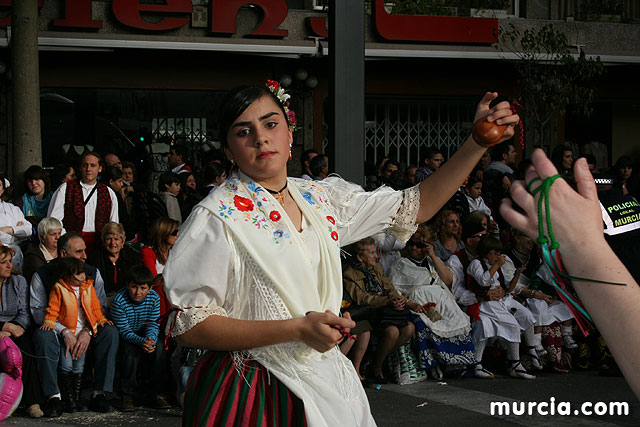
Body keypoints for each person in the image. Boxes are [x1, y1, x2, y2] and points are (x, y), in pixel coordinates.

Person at [163, 86, 519, 425]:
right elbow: (192, 327)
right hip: (253, 390)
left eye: (271, 124)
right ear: (228, 150)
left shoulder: (321, 199)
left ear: (290, 134)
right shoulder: (216, 217)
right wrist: (297, 329)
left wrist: (475, 144)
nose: (260, 138)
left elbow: (416, 206)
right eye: (243, 131)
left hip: (327, 377)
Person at [500, 150, 640, 397]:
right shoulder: (632, 201)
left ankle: (617, 361)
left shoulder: (600, 206)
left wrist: (582, 250)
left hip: (617, 267)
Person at [30, 232, 119, 417]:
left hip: (87, 325)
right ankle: (53, 396)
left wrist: (87, 330)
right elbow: (38, 312)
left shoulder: (92, 273)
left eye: (85, 251)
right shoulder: (43, 275)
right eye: (79, 252)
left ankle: (99, 393)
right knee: (42, 336)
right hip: (57, 326)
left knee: (109, 332)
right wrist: (64, 332)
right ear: (63, 254)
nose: (85, 256)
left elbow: (99, 307)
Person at [387, 225, 476, 380]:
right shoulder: (399, 265)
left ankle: (455, 364)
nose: (414, 248)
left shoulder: (433, 262)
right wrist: (410, 303)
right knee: (423, 324)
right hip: (418, 306)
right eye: (412, 244)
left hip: (442, 303)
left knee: (458, 318)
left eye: (420, 245)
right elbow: (394, 292)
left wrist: (433, 256)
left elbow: (448, 280)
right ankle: (433, 364)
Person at [343, 237, 418, 383]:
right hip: (370, 312)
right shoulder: (349, 273)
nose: (376, 256)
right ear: (360, 256)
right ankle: (377, 368)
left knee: (409, 328)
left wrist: (399, 300)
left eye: (375, 252)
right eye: (371, 253)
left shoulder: (376, 268)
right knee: (392, 332)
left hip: (386, 310)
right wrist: (386, 301)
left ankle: (375, 360)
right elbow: (362, 299)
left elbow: (388, 288)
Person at [41, 257, 110, 413]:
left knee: (79, 364)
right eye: (77, 274)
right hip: (68, 330)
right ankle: (68, 399)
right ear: (66, 275)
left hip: (82, 331)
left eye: (83, 273)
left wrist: (101, 320)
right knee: (66, 364)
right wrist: (49, 322)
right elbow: (53, 309)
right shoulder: (59, 288)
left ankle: (76, 399)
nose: (82, 277)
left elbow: (95, 307)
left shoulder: (88, 287)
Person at [466, 237, 539, 379]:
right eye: (494, 253)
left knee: (521, 318)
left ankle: (518, 359)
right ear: (486, 252)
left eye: (499, 253)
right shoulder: (476, 263)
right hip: (481, 304)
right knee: (501, 325)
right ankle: (484, 364)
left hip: (496, 303)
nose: (497, 257)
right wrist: (497, 265)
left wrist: (517, 275)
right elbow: (483, 281)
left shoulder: (496, 266)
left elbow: (508, 288)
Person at [110, 265, 171, 411]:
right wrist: (141, 341)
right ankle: (128, 397)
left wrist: (150, 339)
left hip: (145, 333)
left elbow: (152, 323)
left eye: (143, 288)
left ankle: (158, 394)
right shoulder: (119, 300)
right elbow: (124, 330)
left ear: (150, 288)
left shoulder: (154, 298)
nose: (138, 292)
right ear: (127, 285)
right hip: (127, 335)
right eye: (134, 287)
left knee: (160, 349)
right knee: (129, 354)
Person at [0, 246, 45, 418]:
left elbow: (24, 312)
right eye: (3, 262)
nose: (8, 265)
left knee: (26, 349)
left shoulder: (18, 281)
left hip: (15, 328)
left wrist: (11, 329)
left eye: (10, 261)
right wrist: (3, 327)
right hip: (3, 328)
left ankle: (32, 401)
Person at [47, 152, 119, 253]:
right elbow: (53, 220)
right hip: (72, 246)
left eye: (93, 165)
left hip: (99, 246)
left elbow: (113, 224)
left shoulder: (108, 192)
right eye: (85, 165)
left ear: (100, 168)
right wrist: (67, 239)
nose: (88, 169)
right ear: (80, 168)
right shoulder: (66, 189)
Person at [87, 222, 141, 297]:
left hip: (127, 298)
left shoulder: (133, 257)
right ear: (103, 240)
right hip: (101, 298)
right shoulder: (93, 259)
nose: (112, 243)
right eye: (109, 239)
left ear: (122, 241)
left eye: (116, 239)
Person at [0, 172, 33, 273]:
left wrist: (10, 229)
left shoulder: (13, 209)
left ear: (3, 189)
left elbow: (28, 230)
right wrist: (17, 236)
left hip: (16, 257)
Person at [22, 217, 62, 283]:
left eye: (59, 233)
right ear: (42, 237)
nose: (57, 237)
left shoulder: (64, 251)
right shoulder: (33, 256)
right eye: (53, 234)